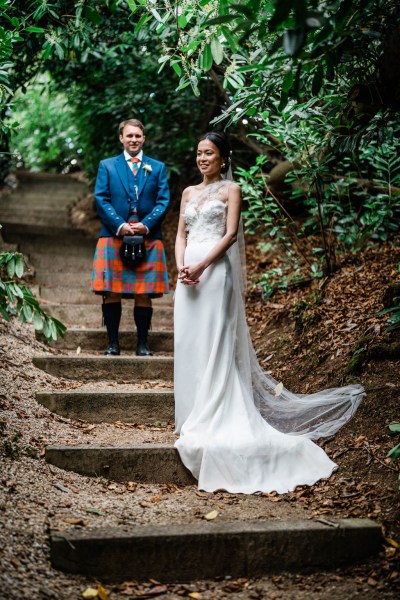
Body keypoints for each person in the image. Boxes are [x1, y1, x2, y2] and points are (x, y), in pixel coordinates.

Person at [174, 131, 365, 494]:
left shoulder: (232, 191)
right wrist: (182, 265)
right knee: (189, 342)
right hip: (188, 278)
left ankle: (216, 412)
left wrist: (201, 267)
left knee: (215, 343)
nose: (202, 159)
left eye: (209, 153)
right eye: (199, 152)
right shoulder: (187, 192)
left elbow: (229, 235)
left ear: (223, 158)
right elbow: (181, 234)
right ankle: (190, 413)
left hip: (214, 275)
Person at [91, 119, 170, 356]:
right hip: (113, 235)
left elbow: (163, 200)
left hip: (149, 236)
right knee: (111, 290)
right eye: (129, 136)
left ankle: (142, 344)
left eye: (138, 136)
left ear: (143, 138)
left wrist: (145, 225)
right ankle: (112, 343)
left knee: (143, 292)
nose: (133, 140)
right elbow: (101, 198)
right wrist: (120, 225)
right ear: (121, 138)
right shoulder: (108, 166)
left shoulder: (157, 167)